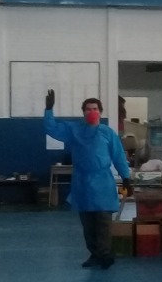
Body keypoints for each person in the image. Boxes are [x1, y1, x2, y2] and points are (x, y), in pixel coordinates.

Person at [43, 91, 132, 269]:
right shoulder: (74, 130)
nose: (92, 112)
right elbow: (51, 129)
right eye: (88, 109)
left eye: (95, 109)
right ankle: (94, 254)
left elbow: (118, 156)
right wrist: (49, 110)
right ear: (83, 112)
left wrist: (126, 178)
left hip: (102, 181)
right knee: (88, 222)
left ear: (101, 112)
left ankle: (105, 254)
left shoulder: (108, 133)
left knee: (103, 220)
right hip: (82, 182)